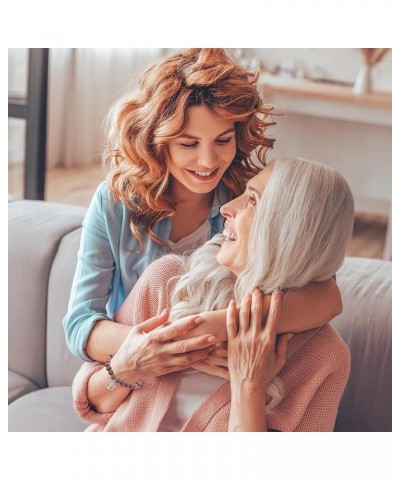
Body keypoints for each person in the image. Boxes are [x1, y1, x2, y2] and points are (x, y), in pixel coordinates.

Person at [63, 48, 342, 368]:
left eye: (223, 140)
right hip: (139, 376)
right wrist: (189, 351)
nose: (209, 162)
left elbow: (327, 296)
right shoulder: (115, 204)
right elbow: (80, 325)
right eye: (188, 144)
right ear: (155, 140)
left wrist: (217, 326)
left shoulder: (249, 201)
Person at [73, 156, 354, 432]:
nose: (227, 208)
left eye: (253, 200)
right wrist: (125, 368)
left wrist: (249, 388)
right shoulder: (169, 280)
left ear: (293, 232)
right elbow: (91, 401)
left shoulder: (325, 358)